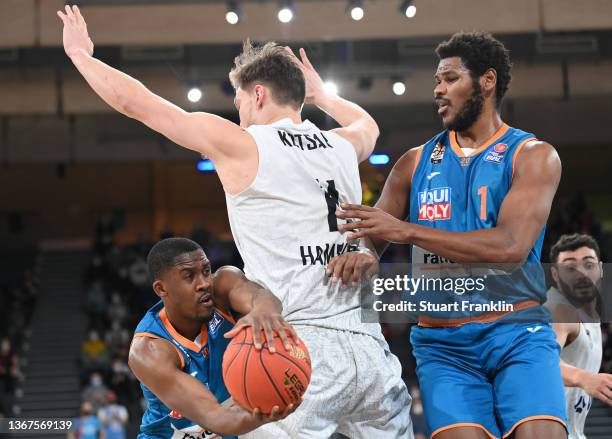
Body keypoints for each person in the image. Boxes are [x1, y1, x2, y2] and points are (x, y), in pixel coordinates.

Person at [58, 5, 412, 438]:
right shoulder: (340, 146)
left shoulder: (245, 144)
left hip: (300, 347)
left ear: (258, 94)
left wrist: (81, 57)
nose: (239, 110)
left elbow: (140, 105)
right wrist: (323, 98)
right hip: (373, 351)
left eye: (239, 100)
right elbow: (368, 126)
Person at [332, 31, 567, 439]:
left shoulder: (533, 155)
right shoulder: (414, 163)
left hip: (517, 332)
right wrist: (364, 253)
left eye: (450, 79)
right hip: (443, 344)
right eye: (437, 81)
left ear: (487, 81)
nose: (438, 90)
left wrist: (405, 231)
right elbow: (372, 235)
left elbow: (510, 247)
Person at [127, 238, 298, 438]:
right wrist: (269, 406)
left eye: (206, 271)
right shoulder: (149, 351)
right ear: (161, 289)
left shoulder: (222, 285)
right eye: (189, 276)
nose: (204, 283)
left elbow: (260, 297)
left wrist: (263, 311)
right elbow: (218, 419)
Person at [546, 234, 611, 439]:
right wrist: (583, 378)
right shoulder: (558, 311)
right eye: (570, 268)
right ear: (555, 274)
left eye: (588, 265)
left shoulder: (592, 316)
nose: (581, 273)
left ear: (600, 269)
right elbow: (540, 361)